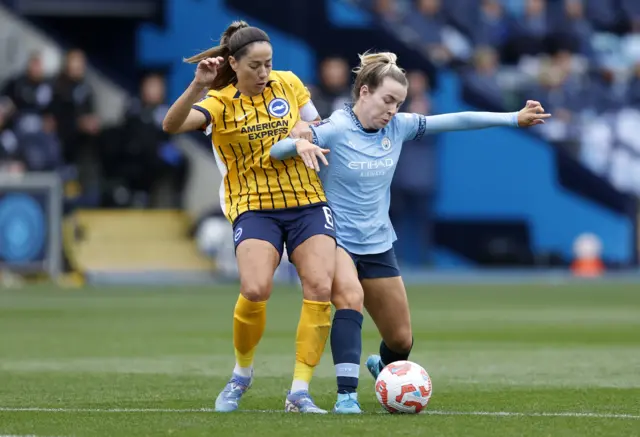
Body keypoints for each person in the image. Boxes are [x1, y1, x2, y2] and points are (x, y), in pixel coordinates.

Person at [271, 52, 550, 413]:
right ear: (365, 92)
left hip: (377, 243)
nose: (392, 109)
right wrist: (299, 142)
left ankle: (384, 372)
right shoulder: (336, 128)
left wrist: (513, 118)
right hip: (334, 237)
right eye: (387, 100)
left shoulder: (398, 127)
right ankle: (346, 396)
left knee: (401, 339)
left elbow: (455, 120)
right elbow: (277, 151)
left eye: (398, 103)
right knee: (350, 298)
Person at [162, 21, 337, 414]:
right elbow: (170, 125)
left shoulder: (289, 83)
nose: (263, 73)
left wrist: (304, 128)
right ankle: (241, 374)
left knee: (319, 287)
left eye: (268, 64)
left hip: (307, 201)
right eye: (255, 66)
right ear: (235, 65)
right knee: (256, 289)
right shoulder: (218, 102)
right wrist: (197, 86)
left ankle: (299, 392)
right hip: (254, 206)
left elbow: (322, 126)